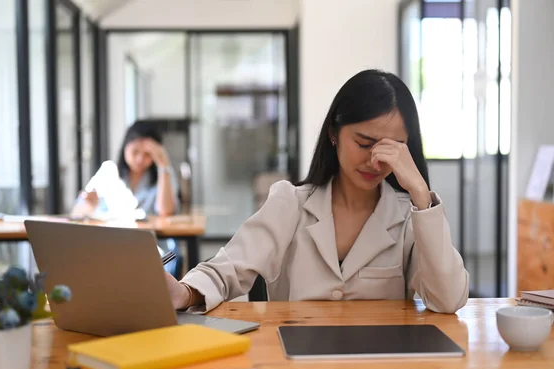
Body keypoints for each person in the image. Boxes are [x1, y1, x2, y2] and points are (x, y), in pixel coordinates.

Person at [164, 69, 469, 314]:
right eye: (363, 143)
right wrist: (184, 292)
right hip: (298, 364)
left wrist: (420, 192)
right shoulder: (290, 203)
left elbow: (448, 299)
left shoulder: (408, 215)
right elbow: (228, 268)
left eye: (392, 149)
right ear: (334, 133)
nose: (376, 160)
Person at [72, 120, 182, 276]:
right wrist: (89, 204)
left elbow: (166, 211)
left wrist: (163, 164)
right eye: (135, 151)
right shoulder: (109, 171)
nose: (139, 159)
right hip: (111, 248)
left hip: (152, 251)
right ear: (125, 146)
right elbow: (77, 212)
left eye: (148, 154)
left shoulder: (163, 175)